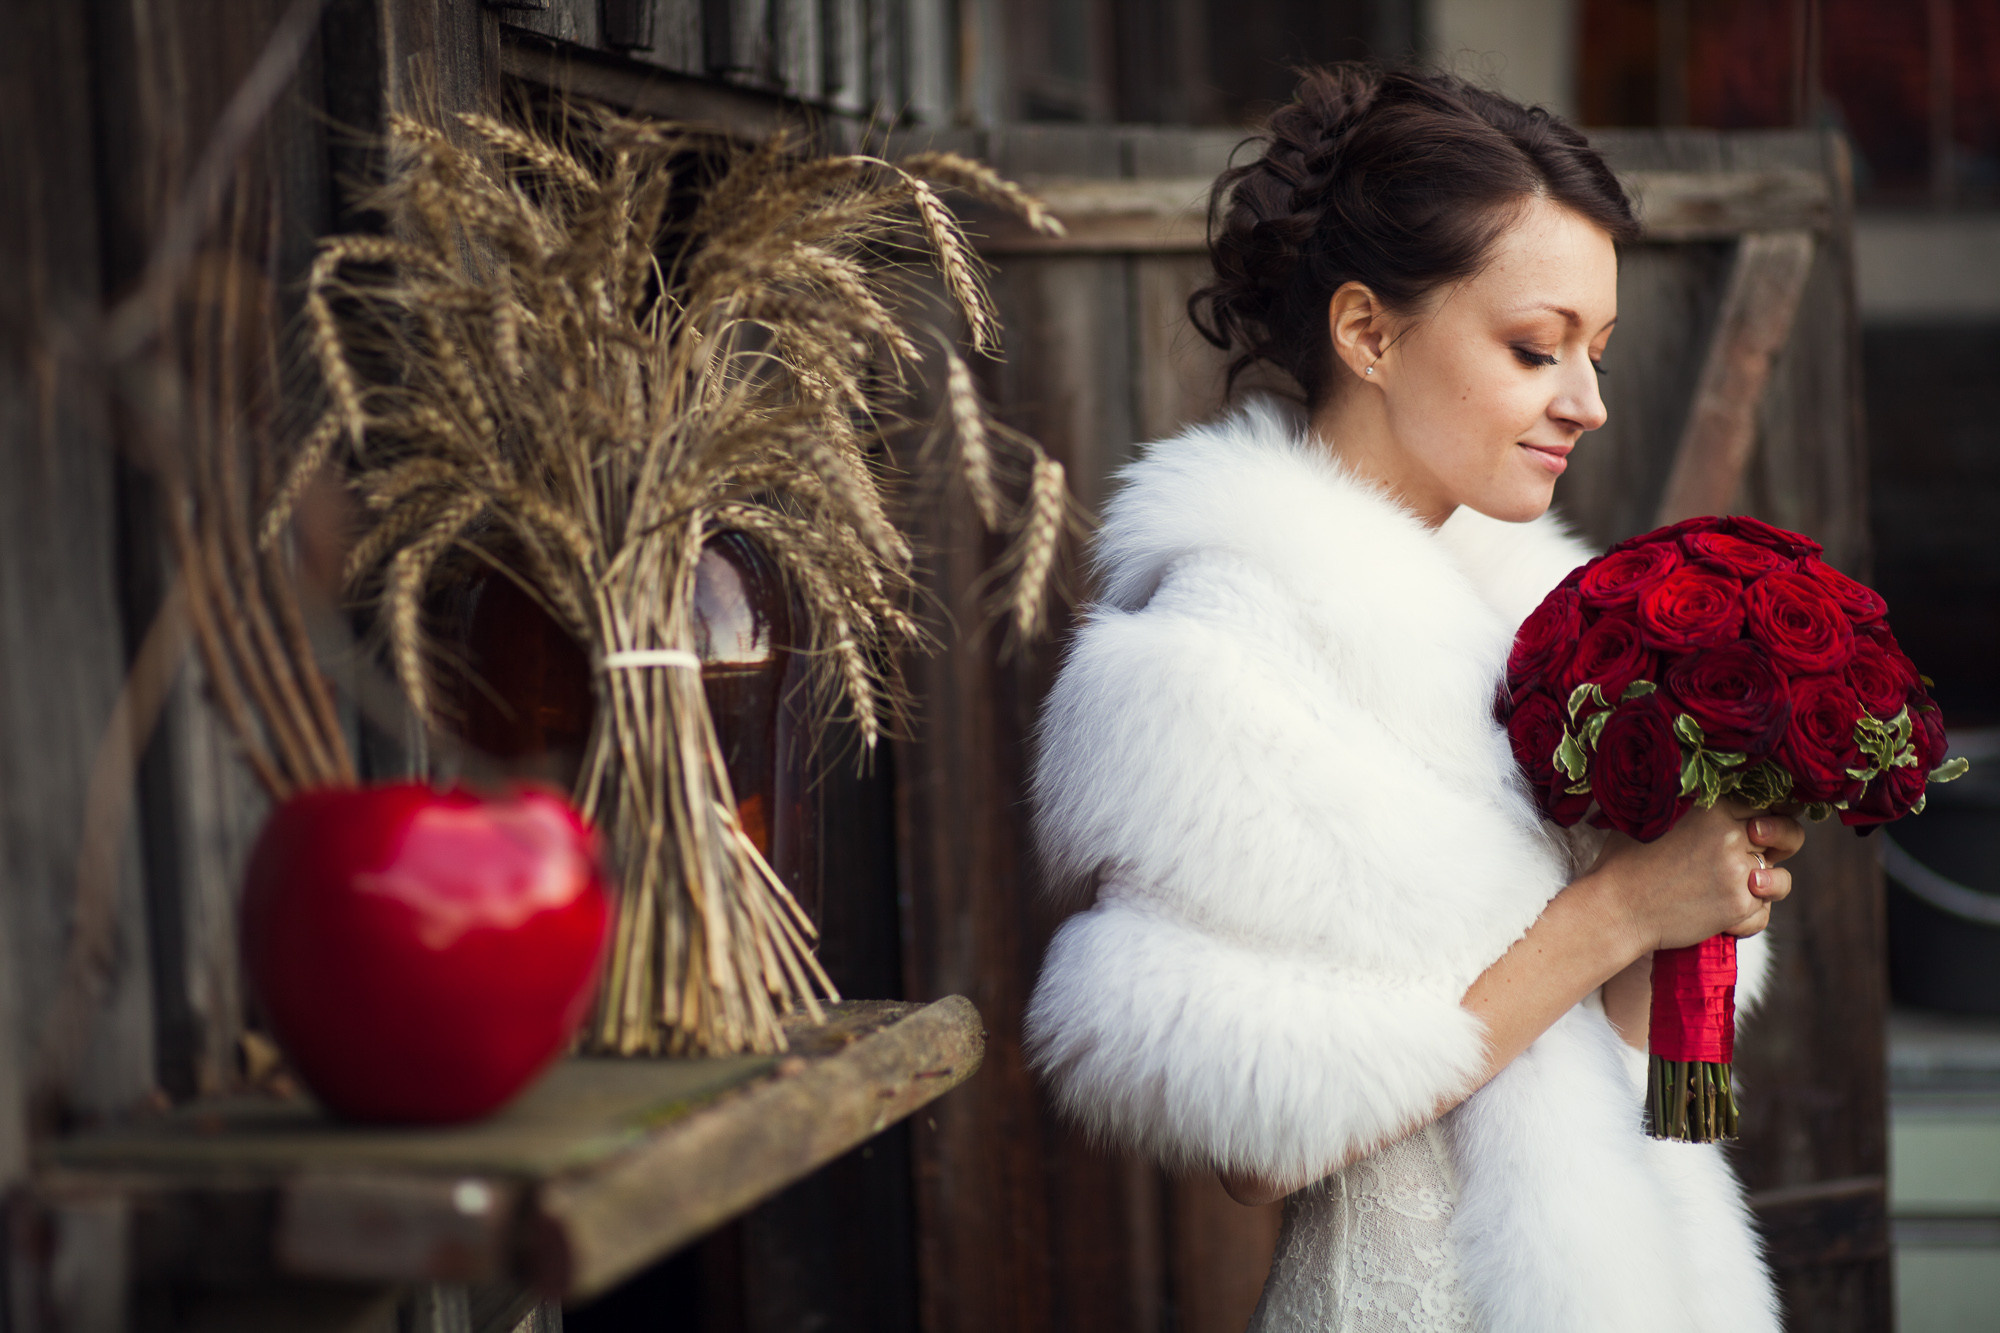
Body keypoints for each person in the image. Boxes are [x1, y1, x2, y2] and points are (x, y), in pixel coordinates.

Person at [1023, 64, 1803, 1333]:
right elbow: (1261, 1147)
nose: (1585, 402)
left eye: (1594, 354)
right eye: (1532, 347)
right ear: (1367, 332)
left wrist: (1693, 898)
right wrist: (1612, 910)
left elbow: (1610, 1060)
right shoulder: (1221, 643)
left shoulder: (1544, 630)